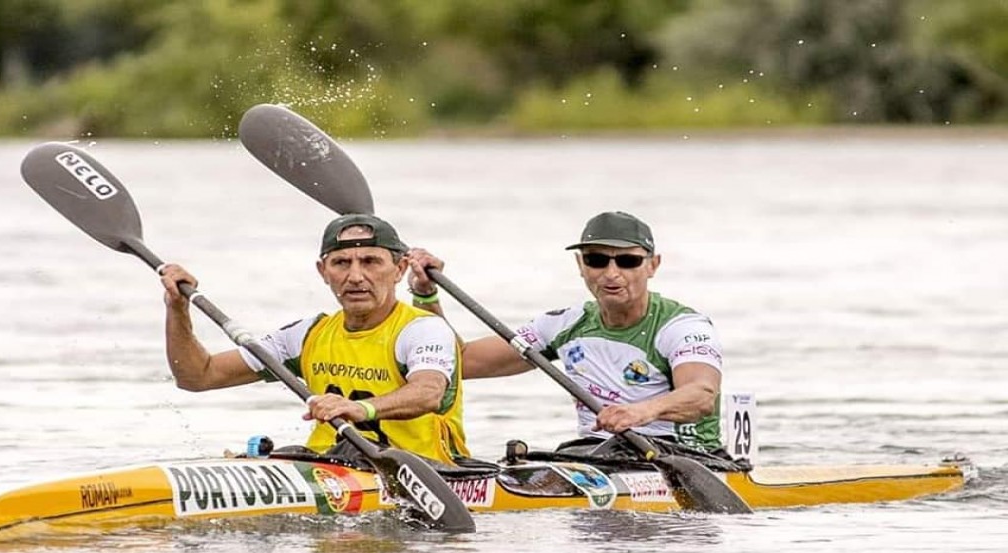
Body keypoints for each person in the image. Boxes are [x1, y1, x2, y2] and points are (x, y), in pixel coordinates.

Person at [159, 214, 470, 465]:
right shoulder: (307, 334)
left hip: (421, 470)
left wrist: (362, 409)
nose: (356, 276)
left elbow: (427, 392)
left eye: (371, 262)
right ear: (323, 271)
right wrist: (177, 308)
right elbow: (197, 376)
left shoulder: (422, 328)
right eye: (341, 263)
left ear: (399, 269)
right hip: (327, 465)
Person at [407, 211, 724, 454]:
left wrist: (640, 413)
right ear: (580, 265)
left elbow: (701, 396)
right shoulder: (563, 325)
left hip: (681, 454)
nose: (611, 274)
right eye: (597, 260)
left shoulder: (681, 327)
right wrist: (425, 296)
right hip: (596, 454)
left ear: (652, 265)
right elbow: (458, 361)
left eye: (627, 261)